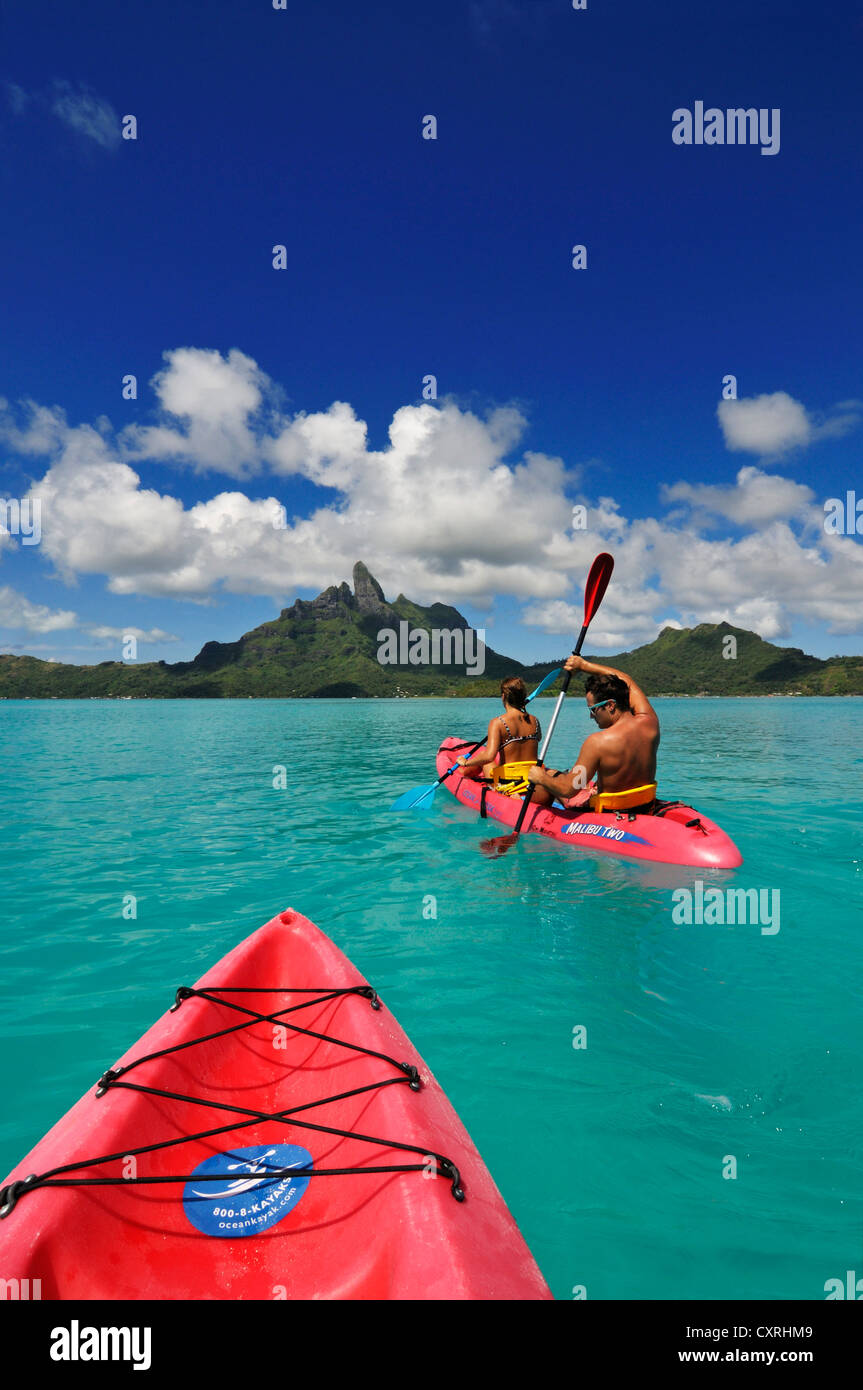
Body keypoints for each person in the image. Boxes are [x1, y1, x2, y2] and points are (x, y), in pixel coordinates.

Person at [527, 654, 660, 813]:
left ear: (610, 705)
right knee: (555, 773)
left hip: (610, 813)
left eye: (593, 709)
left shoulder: (597, 742)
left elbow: (570, 788)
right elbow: (626, 680)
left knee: (547, 777)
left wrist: (541, 777)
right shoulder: (650, 722)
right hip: (645, 806)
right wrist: (584, 666)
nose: (591, 716)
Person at [455, 676, 542, 797]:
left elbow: (489, 757)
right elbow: (539, 738)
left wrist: (466, 762)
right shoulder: (535, 721)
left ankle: (462, 773)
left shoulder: (498, 722)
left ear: (503, 696)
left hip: (508, 783)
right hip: (533, 780)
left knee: (483, 758)